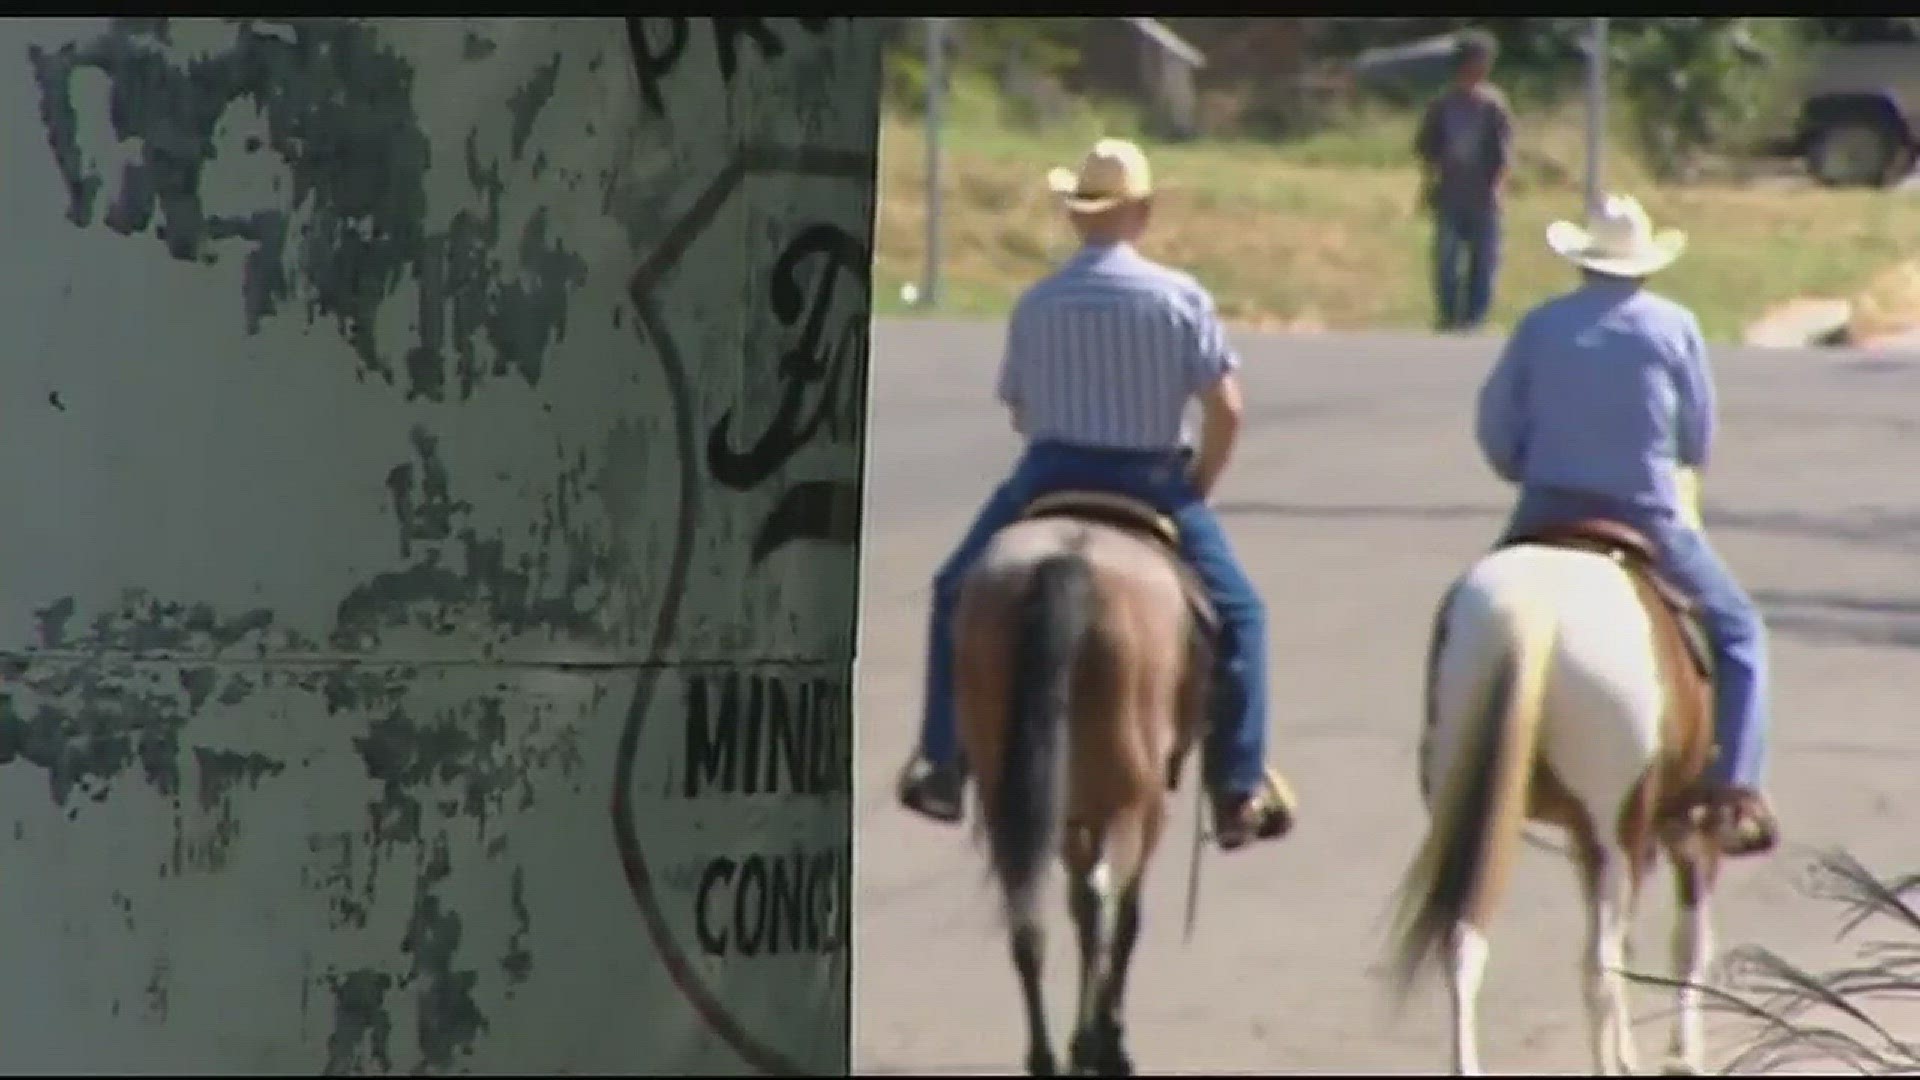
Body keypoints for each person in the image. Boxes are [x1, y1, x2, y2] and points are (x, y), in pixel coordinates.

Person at [894, 137, 1296, 852]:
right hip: (1151, 479)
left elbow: (1018, 410)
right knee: (1241, 615)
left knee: (956, 589)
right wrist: (1195, 488)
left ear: (1078, 217)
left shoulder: (1037, 302)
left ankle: (944, 761)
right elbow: (1226, 408)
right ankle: (1238, 786)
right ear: (1141, 213)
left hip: (1048, 475)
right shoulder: (1180, 297)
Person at [1474, 193, 1779, 858]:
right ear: (1644, 267)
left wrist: (1530, 463)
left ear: (1581, 263)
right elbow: (1697, 438)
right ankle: (1734, 791)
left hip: (1546, 508)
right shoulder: (1674, 327)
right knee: (1738, 633)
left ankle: (1450, 759)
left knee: (1468, 618)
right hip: (1646, 514)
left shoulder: (1540, 325)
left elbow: (1496, 429)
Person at [1415, 30, 1514, 333]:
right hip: (1450, 193)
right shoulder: (1442, 106)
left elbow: (1503, 152)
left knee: (1483, 261)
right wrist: (1429, 184)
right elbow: (1427, 148)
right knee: (1447, 259)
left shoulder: (1493, 105)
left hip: (1483, 195)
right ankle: (1449, 315)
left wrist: (1498, 186)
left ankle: (1475, 317)